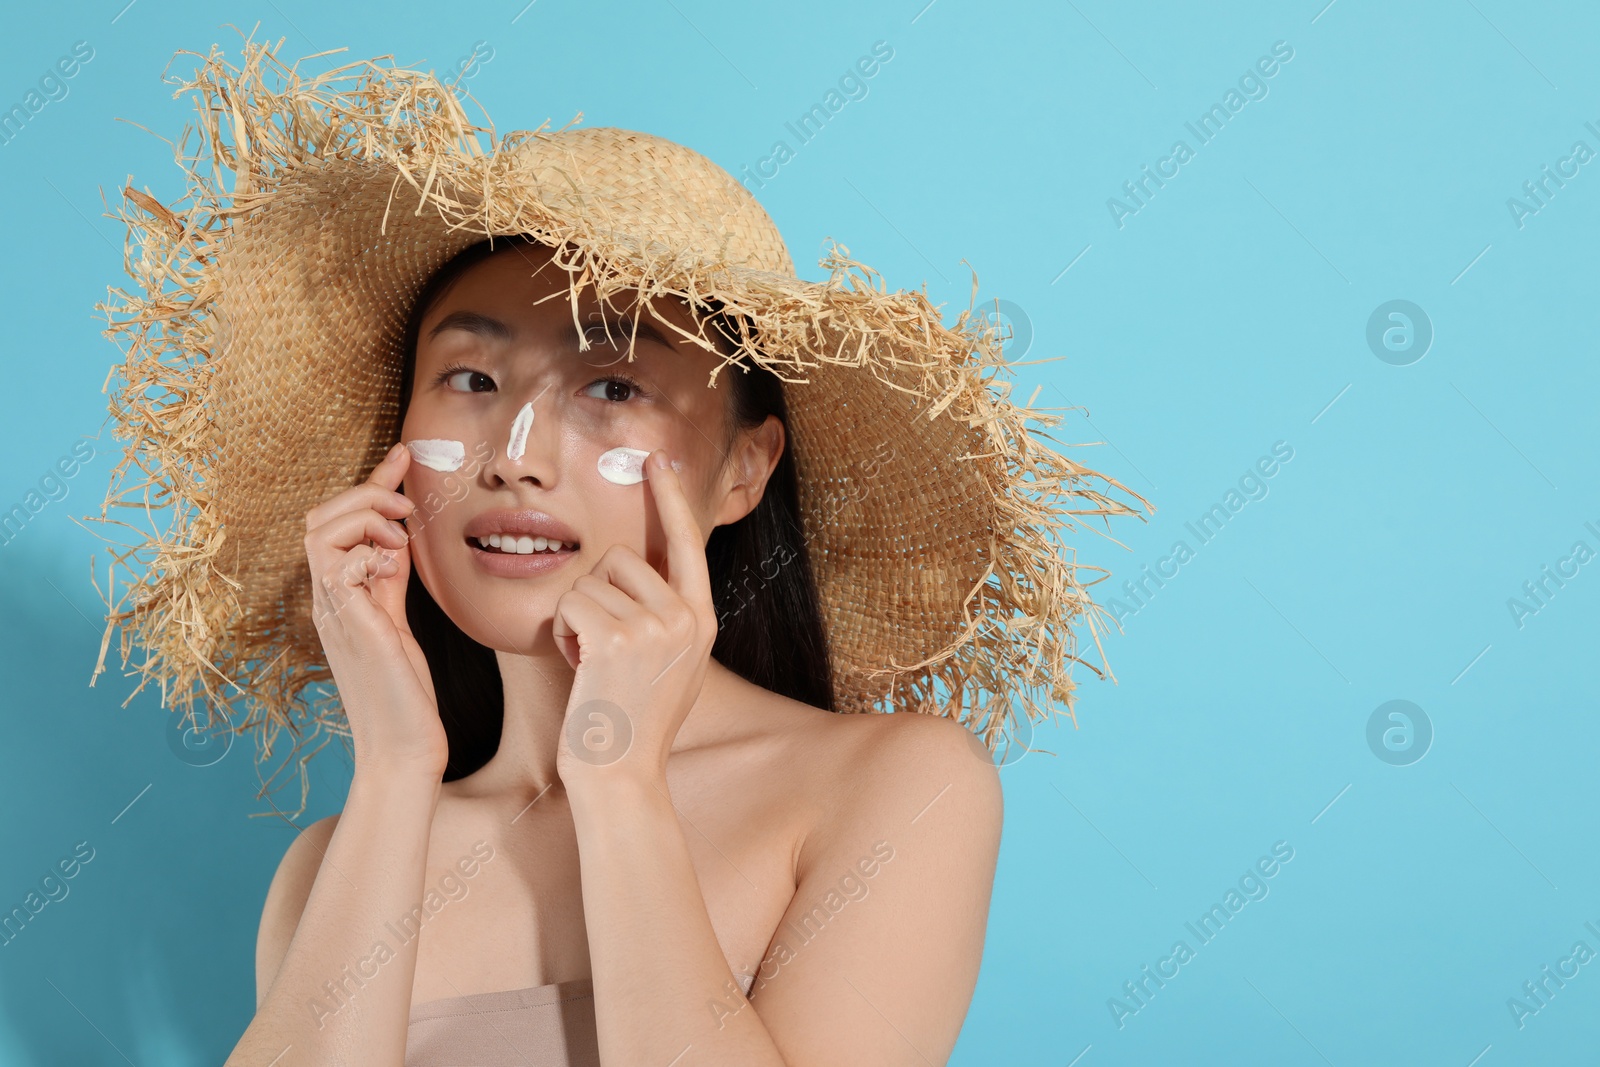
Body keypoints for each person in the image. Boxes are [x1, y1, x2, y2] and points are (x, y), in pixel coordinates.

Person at [87, 34, 1149, 1067]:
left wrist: (620, 784)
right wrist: (396, 773)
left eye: (610, 388)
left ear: (744, 469)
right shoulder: (333, 860)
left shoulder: (894, 786)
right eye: (469, 378)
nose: (517, 456)